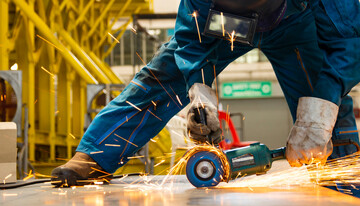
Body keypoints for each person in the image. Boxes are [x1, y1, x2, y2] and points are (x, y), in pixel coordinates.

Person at [51, 0, 360, 186]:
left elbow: (348, 43)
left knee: (323, 97)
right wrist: (200, 94)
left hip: (297, 23)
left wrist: (321, 111)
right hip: (226, 26)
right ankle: (95, 156)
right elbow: (191, 39)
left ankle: (343, 171)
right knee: (163, 75)